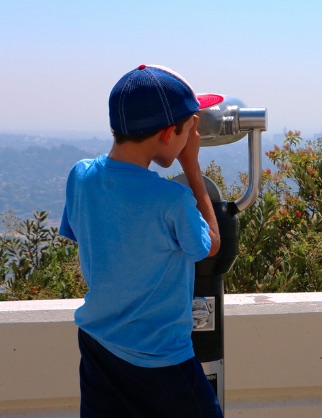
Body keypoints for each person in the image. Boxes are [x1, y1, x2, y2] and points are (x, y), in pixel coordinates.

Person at [59, 64, 223, 417]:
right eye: (190, 128)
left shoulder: (81, 176)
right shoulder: (170, 200)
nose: (191, 137)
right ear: (168, 134)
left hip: (98, 344)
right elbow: (209, 244)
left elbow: (86, 232)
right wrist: (192, 166)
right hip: (160, 358)